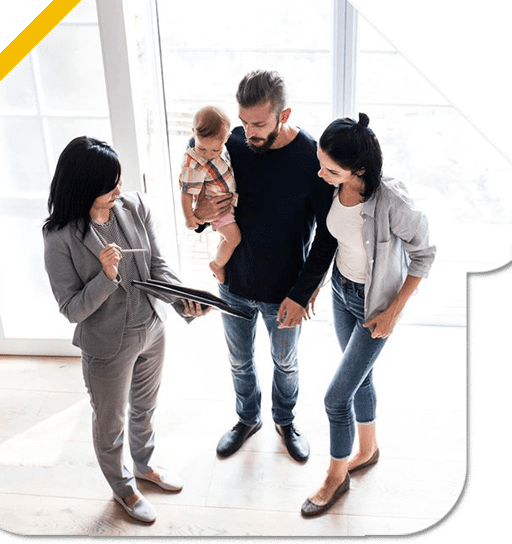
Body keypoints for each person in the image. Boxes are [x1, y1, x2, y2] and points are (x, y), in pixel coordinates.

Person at [42, 137, 206, 524]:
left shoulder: (133, 206)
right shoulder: (59, 237)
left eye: (119, 180)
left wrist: (183, 300)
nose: (119, 189)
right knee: (110, 420)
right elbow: (71, 309)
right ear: (83, 187)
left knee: (145, 408)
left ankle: (145, 465)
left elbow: (157, 267)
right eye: (109, 184)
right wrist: (107, 275)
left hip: (151, 328)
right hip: (107, 346)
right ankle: (122, 486)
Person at [295, 114, 436, 517]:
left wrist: (394, 311)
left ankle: (335, 478)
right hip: (342, 291)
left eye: (331, 169)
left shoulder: (392, 201)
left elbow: (425, 254)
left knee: (336, 398)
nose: (321, 175)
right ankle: (369, 449)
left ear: (359, 169)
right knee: (359, 380)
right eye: (321, 164)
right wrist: (318, 287)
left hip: (374, 306)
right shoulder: (335, 188)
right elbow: (334, 242)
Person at [193, 71, 338, 462]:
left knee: (285, 362)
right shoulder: (232, 144)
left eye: (258, 124)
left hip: (285, 291)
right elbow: (203, 193)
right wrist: (201, 214)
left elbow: (327, 235)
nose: (248, 131)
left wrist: (302, 292)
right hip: (234, 284)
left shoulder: (312, 157)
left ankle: (285, 420)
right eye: (243, 121)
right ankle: (247, 418)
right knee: (239, 360)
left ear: (284, 114)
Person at [179, 105, 241, 283]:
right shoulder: (194, 163)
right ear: (193, 133)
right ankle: (217, 265)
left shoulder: (223, 145)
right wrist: (190, 217)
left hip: (226, 204)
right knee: (233, 238)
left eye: (215, 150)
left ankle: (219, 260)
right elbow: (186, 193)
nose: (208, 155)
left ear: (226, 138)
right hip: (219, 209)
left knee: (227, 237)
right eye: (202, 149)